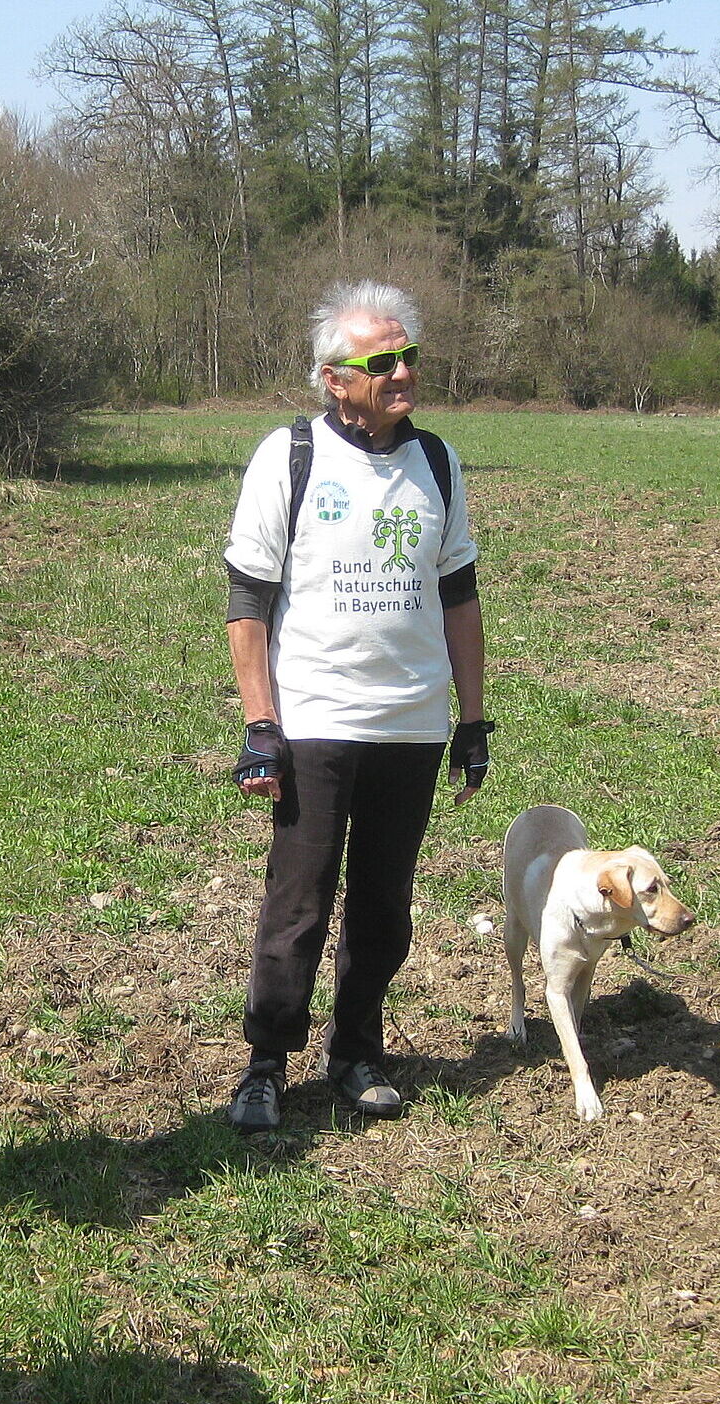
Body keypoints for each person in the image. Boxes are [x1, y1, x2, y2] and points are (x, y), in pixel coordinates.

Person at [219, 280, 495, 1132]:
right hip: (314, 723)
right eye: (386, 361)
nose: (405, 371)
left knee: (384, 904)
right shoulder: (290, 456)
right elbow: (247, 601)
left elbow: (460, 597)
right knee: (296, 904)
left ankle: (356, 1052)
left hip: (410, 726)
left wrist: (474, 719)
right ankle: (266, 1063)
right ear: (336, 379)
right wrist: (260, 725)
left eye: (411, 356)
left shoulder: (438, 463)